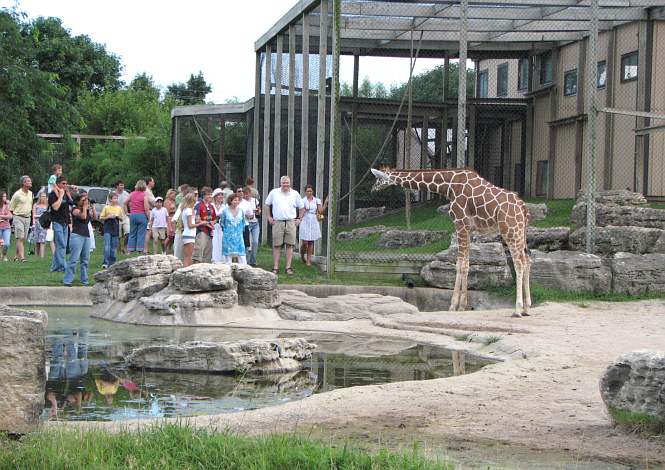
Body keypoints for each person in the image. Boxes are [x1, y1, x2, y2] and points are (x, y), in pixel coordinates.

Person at [264, 175, 304, 275]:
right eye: (283, 183)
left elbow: (302, 207)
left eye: (287, 183)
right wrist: (269, 217)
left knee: (289, 245)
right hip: (278, 222)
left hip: (291, 222)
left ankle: (288, 267)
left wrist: (299, 218)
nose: (285, 185)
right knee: (277, 245)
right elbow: (267, 204)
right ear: (280, 183)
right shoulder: (274, 192)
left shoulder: (295, 194)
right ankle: (275, 267)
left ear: (289, 183)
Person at [64, 193, 92, 286]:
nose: (85, 201)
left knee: (85, 260)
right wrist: (84, 208)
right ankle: (68, 280)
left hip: (86, 236)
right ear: (78, 201)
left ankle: (85, 280)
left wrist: (92, 207)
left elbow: (94, 218)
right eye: (83, 199)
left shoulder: (86, 209)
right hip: (77, 235)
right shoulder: (75, 209)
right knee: (74, 259)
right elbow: (83, 217)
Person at [48, 176, 73, 272]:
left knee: (62, 245)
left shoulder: (65, 193)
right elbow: (55, 207)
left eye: (66, 183)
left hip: (65, 222)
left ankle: (54, 268)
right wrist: (61, 196)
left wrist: (67, 193)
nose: (65, 185)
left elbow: (71, 204)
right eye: (63, 183)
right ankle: (64, 267)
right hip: (57, 222)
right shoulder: (52, 195)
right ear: (58, 184)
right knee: (61, 244)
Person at [9, 175, 34, 262]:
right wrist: (14, 219)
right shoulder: (17, 194)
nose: (30, 182)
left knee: (23, 238)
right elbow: (11, 208)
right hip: (18, 217)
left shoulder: (31, 193)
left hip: (28, 218)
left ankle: (16, 256)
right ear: (23, 183)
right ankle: (22, 258)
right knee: (20, 237)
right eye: (28, 181)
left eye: (30, 181)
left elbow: (31, 206)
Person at [220, 193, 247, 264]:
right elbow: (222, 223)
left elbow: (243, 223)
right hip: (228, 236)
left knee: (241, 255)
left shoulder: (241, 211)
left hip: (238, 236)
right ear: (230, 201)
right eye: (235, 200)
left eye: (238, 200)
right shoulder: (225, 211)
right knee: (228, 256)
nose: (236, 202)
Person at [99, 193, 124, 268]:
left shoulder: (119, 208)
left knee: (114, 247)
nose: (115, 200)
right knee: (107, 246)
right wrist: (108, 216)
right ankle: (105, 262)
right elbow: (101, 217)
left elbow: (122, 218)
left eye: (116, 198)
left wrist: (118, 216)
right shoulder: (106, 207)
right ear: (110, 199)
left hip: (115, 228)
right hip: (107, 228)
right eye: (114, 198)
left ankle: (112, 263)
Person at [192, 187, 216, 264]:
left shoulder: (211, 206)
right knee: (199, 253)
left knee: (208, 254)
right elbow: (197, 220)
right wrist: (208, 224)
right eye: (208, 195)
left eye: (211, 194)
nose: (210, 196)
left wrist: (213, 222)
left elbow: (214, 218)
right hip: (201, 231)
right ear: (203, 195)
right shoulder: (198, 205)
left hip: (210, 233)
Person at [126, 180, 150, 253]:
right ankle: (139, 249)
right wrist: (149, 218)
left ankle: (130, 249)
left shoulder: (132, 194)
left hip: (133, 215)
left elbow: (125, 202)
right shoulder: (144, 195)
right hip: (142, 215)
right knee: (141, 233)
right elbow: (146, 208)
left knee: (132, 232)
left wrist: (127, 212)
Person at [240, 186, 260, 266]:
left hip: (255, 223)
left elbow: (259, 211)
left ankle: (253, 260)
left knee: (255, 242)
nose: (246, 196)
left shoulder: (255, 201)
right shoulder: (242, 203)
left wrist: (257, 211)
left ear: (250, 194)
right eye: (244, 194)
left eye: (247, 194)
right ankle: (246, 261)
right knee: (247, 243)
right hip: (247, 223)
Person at [180, 192, 198, 267]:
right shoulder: (189, 210)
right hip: (189, 234)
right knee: (189, 256)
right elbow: (190, 225)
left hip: (187, 234)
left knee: (186, 256)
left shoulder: (184, 210)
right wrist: (201, 224)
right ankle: (188, 271)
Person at [113, 180, 130, 255]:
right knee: (118, 235)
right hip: (116, 216)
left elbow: (129, 203)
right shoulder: (112, 194)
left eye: (123, 185)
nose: (122, 187)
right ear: (117, 186)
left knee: (128, 232)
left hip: (125, 216)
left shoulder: (126, 194)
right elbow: (108, 204)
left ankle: (125, 247)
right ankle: (119, 248)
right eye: (120, 185)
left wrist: (130, 212)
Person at [211, 188, 226, 263]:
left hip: (221, 227)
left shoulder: (225, 207)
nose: (220, 196)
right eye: (218, 195)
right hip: (213, 226)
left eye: (221, 195)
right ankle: (214, 259)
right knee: (214, 242)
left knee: (221, 242)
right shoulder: (211, 205)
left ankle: (222, 260)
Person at [32, 192, 49, 258]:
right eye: (42, 196)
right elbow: (34, 215)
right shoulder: (35, 205)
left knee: (42, 240)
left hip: (44, 224)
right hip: (36, 224)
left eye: (44, 196)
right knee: (37, 241)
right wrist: (33, 224)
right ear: (39, 197)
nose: (43, 198)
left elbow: (48, 215)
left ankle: (42, 256)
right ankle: (37, 256)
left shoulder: (47, 206)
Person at [142, 176, 156, 252]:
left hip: (147, 211)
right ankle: (145, 249)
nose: (154, 183)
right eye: (153, 181)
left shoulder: (148, 191)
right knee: (148, 231)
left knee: (148, 231)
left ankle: (144, 248)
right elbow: (153, 202)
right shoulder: (147, 191)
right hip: (148, 211)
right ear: (149, 182)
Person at [164, 189, 177, 254]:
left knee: (173, 237)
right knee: (169, 236)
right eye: (173, 194)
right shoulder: (167, 202)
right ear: (170, 194)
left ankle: (169, 250)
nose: (175, 196)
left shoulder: (174, 201)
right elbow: (167, 212)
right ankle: (163, 249)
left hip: (174, 219)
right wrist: (175, 211)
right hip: (169, 219)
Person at [0, 191, 12, 262]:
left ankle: (4, 255)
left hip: (6, 227)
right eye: (3, 196)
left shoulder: (6, 206)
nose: (5, 198)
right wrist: (5, 216)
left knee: (6, 244)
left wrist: (2, 216)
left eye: (5, 196)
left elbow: (10, 216)